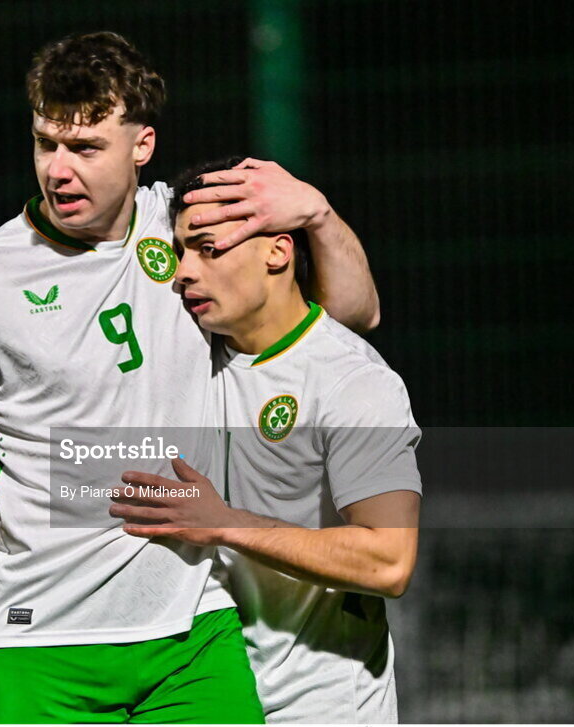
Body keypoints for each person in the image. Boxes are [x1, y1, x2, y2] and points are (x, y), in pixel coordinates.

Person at [0, 33, 380, 722]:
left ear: (143, 145)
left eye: (86, 148)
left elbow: (351, 316)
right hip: (43, 641)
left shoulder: (191, 234)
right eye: (47, 143)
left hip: (194, 632)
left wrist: (316, 212)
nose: (59, 171)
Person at [110, 158, 422, 723]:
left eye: (208, 248)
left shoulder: (352, 380)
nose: (183, 272)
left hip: (319, 708)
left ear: (277, 252)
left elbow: (389, 561)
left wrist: (225, 522)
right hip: (205, 696)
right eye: (180, 251)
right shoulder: (191, 356)